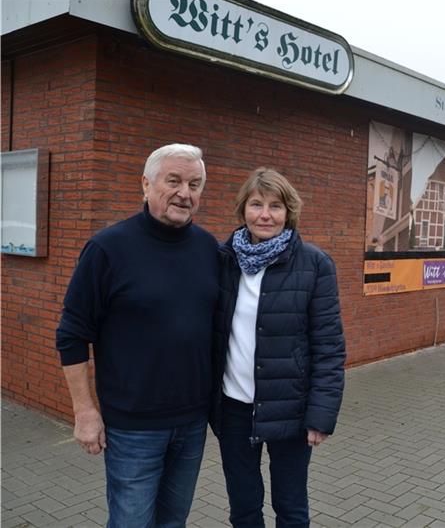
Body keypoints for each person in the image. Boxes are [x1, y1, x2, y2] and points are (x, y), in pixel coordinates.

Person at [55, 143, 219, 527]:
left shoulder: (209, 248)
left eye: (195, 184)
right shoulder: (108, 249)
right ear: (145, 184)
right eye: (173, 180)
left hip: (193, 422)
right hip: (132, 428)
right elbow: (72, 334)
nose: (185, 193)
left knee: (172, 522)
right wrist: (84, 410)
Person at [211, 167, 346, 528]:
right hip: (234, 408)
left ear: (290, 212)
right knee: (243, 507)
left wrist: (321, 415)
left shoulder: (315, 264)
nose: (265, 214)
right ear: (243, 210)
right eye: (256, 204)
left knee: (290, 507)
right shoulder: (223, 261)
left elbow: (329, 346)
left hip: (291, 409)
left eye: (276, 205)